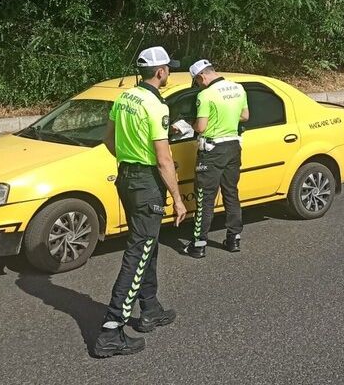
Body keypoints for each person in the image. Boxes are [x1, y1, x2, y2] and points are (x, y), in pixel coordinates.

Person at [92, 46, 188, 358]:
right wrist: (178, 198)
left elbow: (109, 138)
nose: (169, 73)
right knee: (138, 252)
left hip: (126, 178)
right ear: (160, 72)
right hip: (147, 183)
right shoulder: (156, 106)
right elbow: (163, 160)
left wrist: (128, 161)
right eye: (168, 69)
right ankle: (111, 329)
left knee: (148, 243)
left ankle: (150, 308)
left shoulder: (125, 98)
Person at [183, 60, 248, 258]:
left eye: (196, 82)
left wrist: (186, 125)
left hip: (212, 150)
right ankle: (234, 239)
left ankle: (199, 243)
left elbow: (201, 127)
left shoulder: (205, 95)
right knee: (231, 193)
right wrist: (227, 119)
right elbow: (245, 116)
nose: (197, 86)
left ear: (201, 77)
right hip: (233, 147)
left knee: (205, 197)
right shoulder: (238, 88)